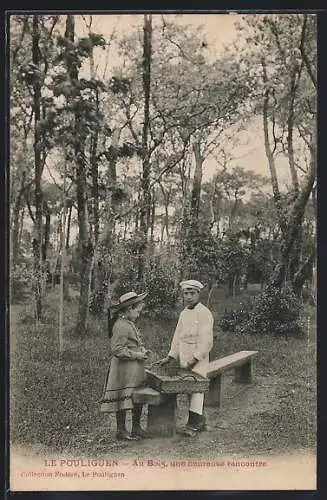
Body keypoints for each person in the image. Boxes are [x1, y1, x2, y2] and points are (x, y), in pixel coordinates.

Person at [157, 280, 214, 437]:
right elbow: (177, 338)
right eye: (186, 293)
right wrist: (171, 356)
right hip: (184, 356)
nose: (189, 297)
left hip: (198, 359)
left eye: (192, 293)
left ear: (198, 294)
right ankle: (200, 421)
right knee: (189, 388)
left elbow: (206, 341)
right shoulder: (183, 314)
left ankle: (194, 424)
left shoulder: (204, 313)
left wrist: (195, 360)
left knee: (197, 388)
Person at [100, 291, 151, 441]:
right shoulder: (121, 326)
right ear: (129, 310)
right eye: (137, 311)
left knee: (136, 397)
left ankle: (136, 427)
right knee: (122, 397)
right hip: (124, 369)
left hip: (134, 369)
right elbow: (117, 349)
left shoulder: (128, 324)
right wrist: (137, 355)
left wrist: (141, 349)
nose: (138, 314)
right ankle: (121, 430)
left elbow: (132, 343)